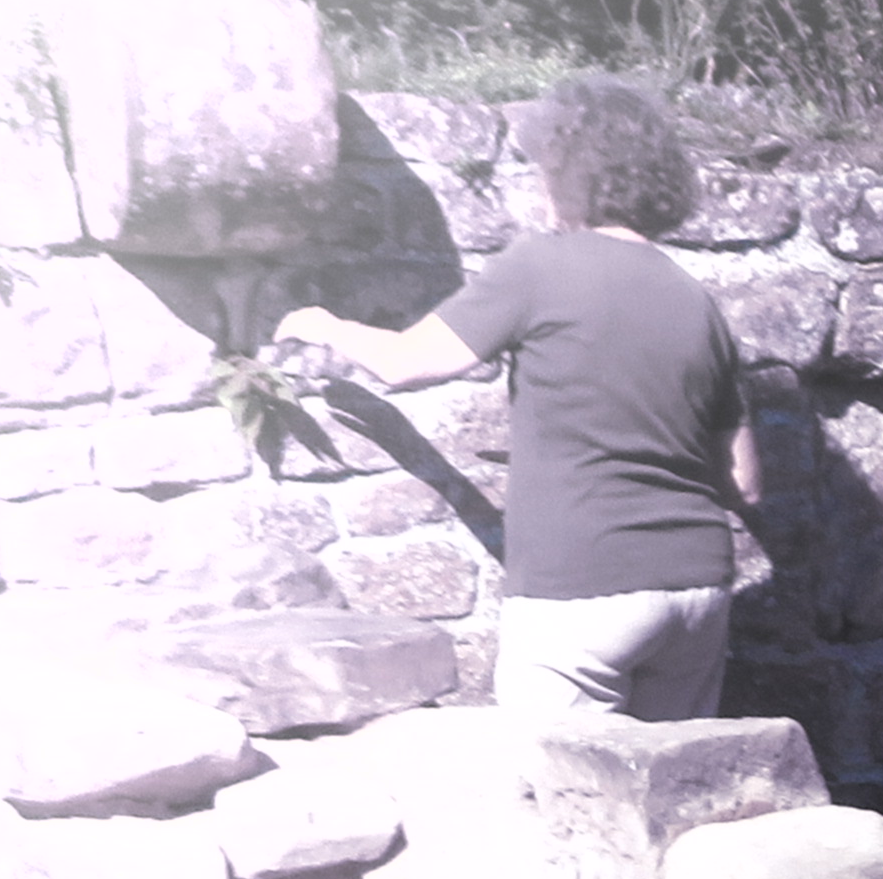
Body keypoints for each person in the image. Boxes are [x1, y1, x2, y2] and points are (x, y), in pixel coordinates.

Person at [288, 76, 763, 720]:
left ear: (567, 175)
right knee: (673, 779)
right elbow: (745, 483)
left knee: (561, 778)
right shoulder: (697, 300)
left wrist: (324, 325)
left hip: (582, 589)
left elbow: (407, 362)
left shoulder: (540, 266)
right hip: (697, 590)